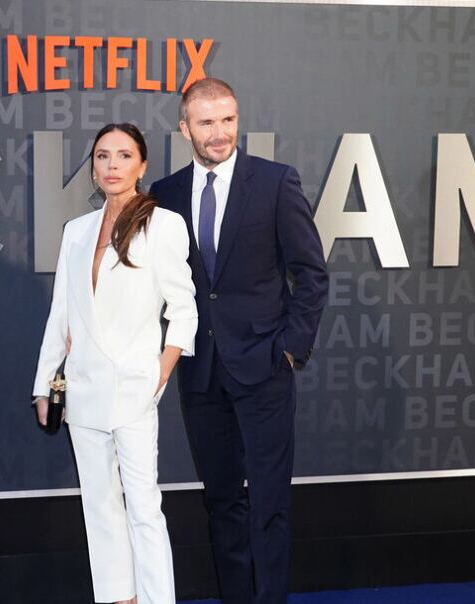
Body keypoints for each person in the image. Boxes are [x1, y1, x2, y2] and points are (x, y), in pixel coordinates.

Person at [148, 78, 329, 604]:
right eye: (206, 122)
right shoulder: (165, 193)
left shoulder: (275, 182)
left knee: (269, 503)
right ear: (185, 129)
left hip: (265, 367)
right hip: (200, 372)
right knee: (222, 501)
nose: (220, 132)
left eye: (228, 119)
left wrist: (290, 348)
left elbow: (311, 273)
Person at [32, 122, 198, 604]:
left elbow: (184, 310)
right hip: (83, 390)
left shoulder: (163, 224)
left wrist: (158, 374)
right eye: (103, 156)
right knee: (100, 506)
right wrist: (44, 384)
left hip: (134, 390)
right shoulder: (77, 231)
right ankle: (117, 598)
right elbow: (61, 313)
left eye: (124, 156)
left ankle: (156, 598)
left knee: (144, 507)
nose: (112, 166)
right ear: (93, 167)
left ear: (141, 165)